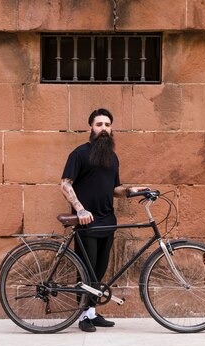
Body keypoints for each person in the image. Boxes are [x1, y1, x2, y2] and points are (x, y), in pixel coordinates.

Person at [60, 108, 148, 332]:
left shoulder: (112, 158)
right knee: (86, 272)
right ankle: (83, 318)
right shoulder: (79, 154)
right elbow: (65, 184)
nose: (104, 129)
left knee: (99, 271)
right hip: (86, 222)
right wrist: (80, 210)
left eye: (107, 125)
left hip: (108, 221)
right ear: (91, 128)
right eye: (99, 125)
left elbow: (115, 189)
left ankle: (92, 312)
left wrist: (131, 190)